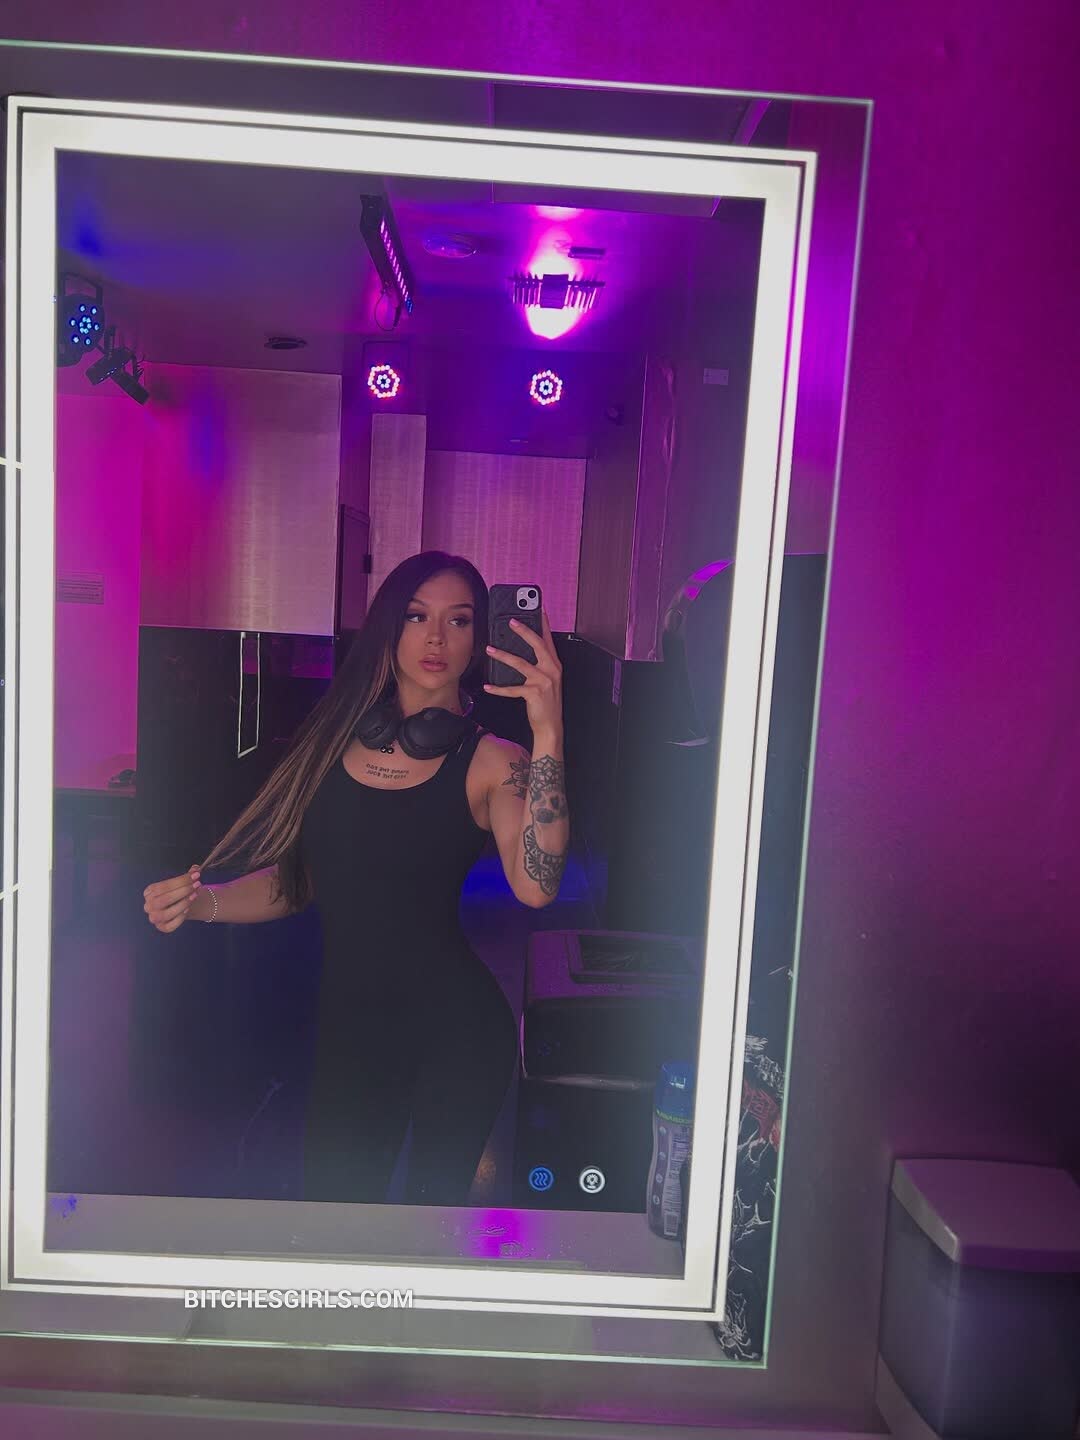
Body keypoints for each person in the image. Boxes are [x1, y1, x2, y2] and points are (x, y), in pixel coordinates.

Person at [141, 551, 569, 1205]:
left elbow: (536, 885)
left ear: (479, 638)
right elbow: (301, 881)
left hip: (457, 1034)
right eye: (417, 616)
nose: (435, 638)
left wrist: (548, 731)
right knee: (335, 1212)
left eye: (458, 620)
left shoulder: (496, 761)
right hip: (351, 1031)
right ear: (388, 626)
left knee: (429, 1222)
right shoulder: (330, 742)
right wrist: (203, 904)